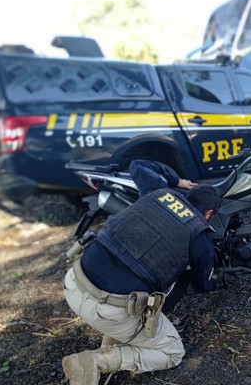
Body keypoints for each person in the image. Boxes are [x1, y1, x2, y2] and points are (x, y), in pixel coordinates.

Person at [61, 160, 222, 385]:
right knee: (173, 352)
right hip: (105, 310)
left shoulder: (157, 193)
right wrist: (215, 280)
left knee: (122, 287)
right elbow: (201, 285)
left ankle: (111, 344)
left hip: (73, 283)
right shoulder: (200, 237)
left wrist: (178, 181)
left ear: (187, 196)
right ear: (209, 214)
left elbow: (139, 165)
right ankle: (97, 362)